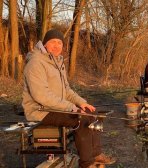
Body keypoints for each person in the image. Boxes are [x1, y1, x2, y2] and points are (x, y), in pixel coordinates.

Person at [22, 29, 115, 168]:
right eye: (53, 42)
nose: (56, 45)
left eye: (59, 43)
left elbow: (67, 90)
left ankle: (96, 155)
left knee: (92, 115)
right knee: (81, 119)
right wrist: (71, 107)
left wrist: (82, 103)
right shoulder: (36, 63)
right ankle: (86, 163)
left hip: (54, 108)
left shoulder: (58, 62)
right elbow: (41, 95)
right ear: (44, 44)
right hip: (40, 111)